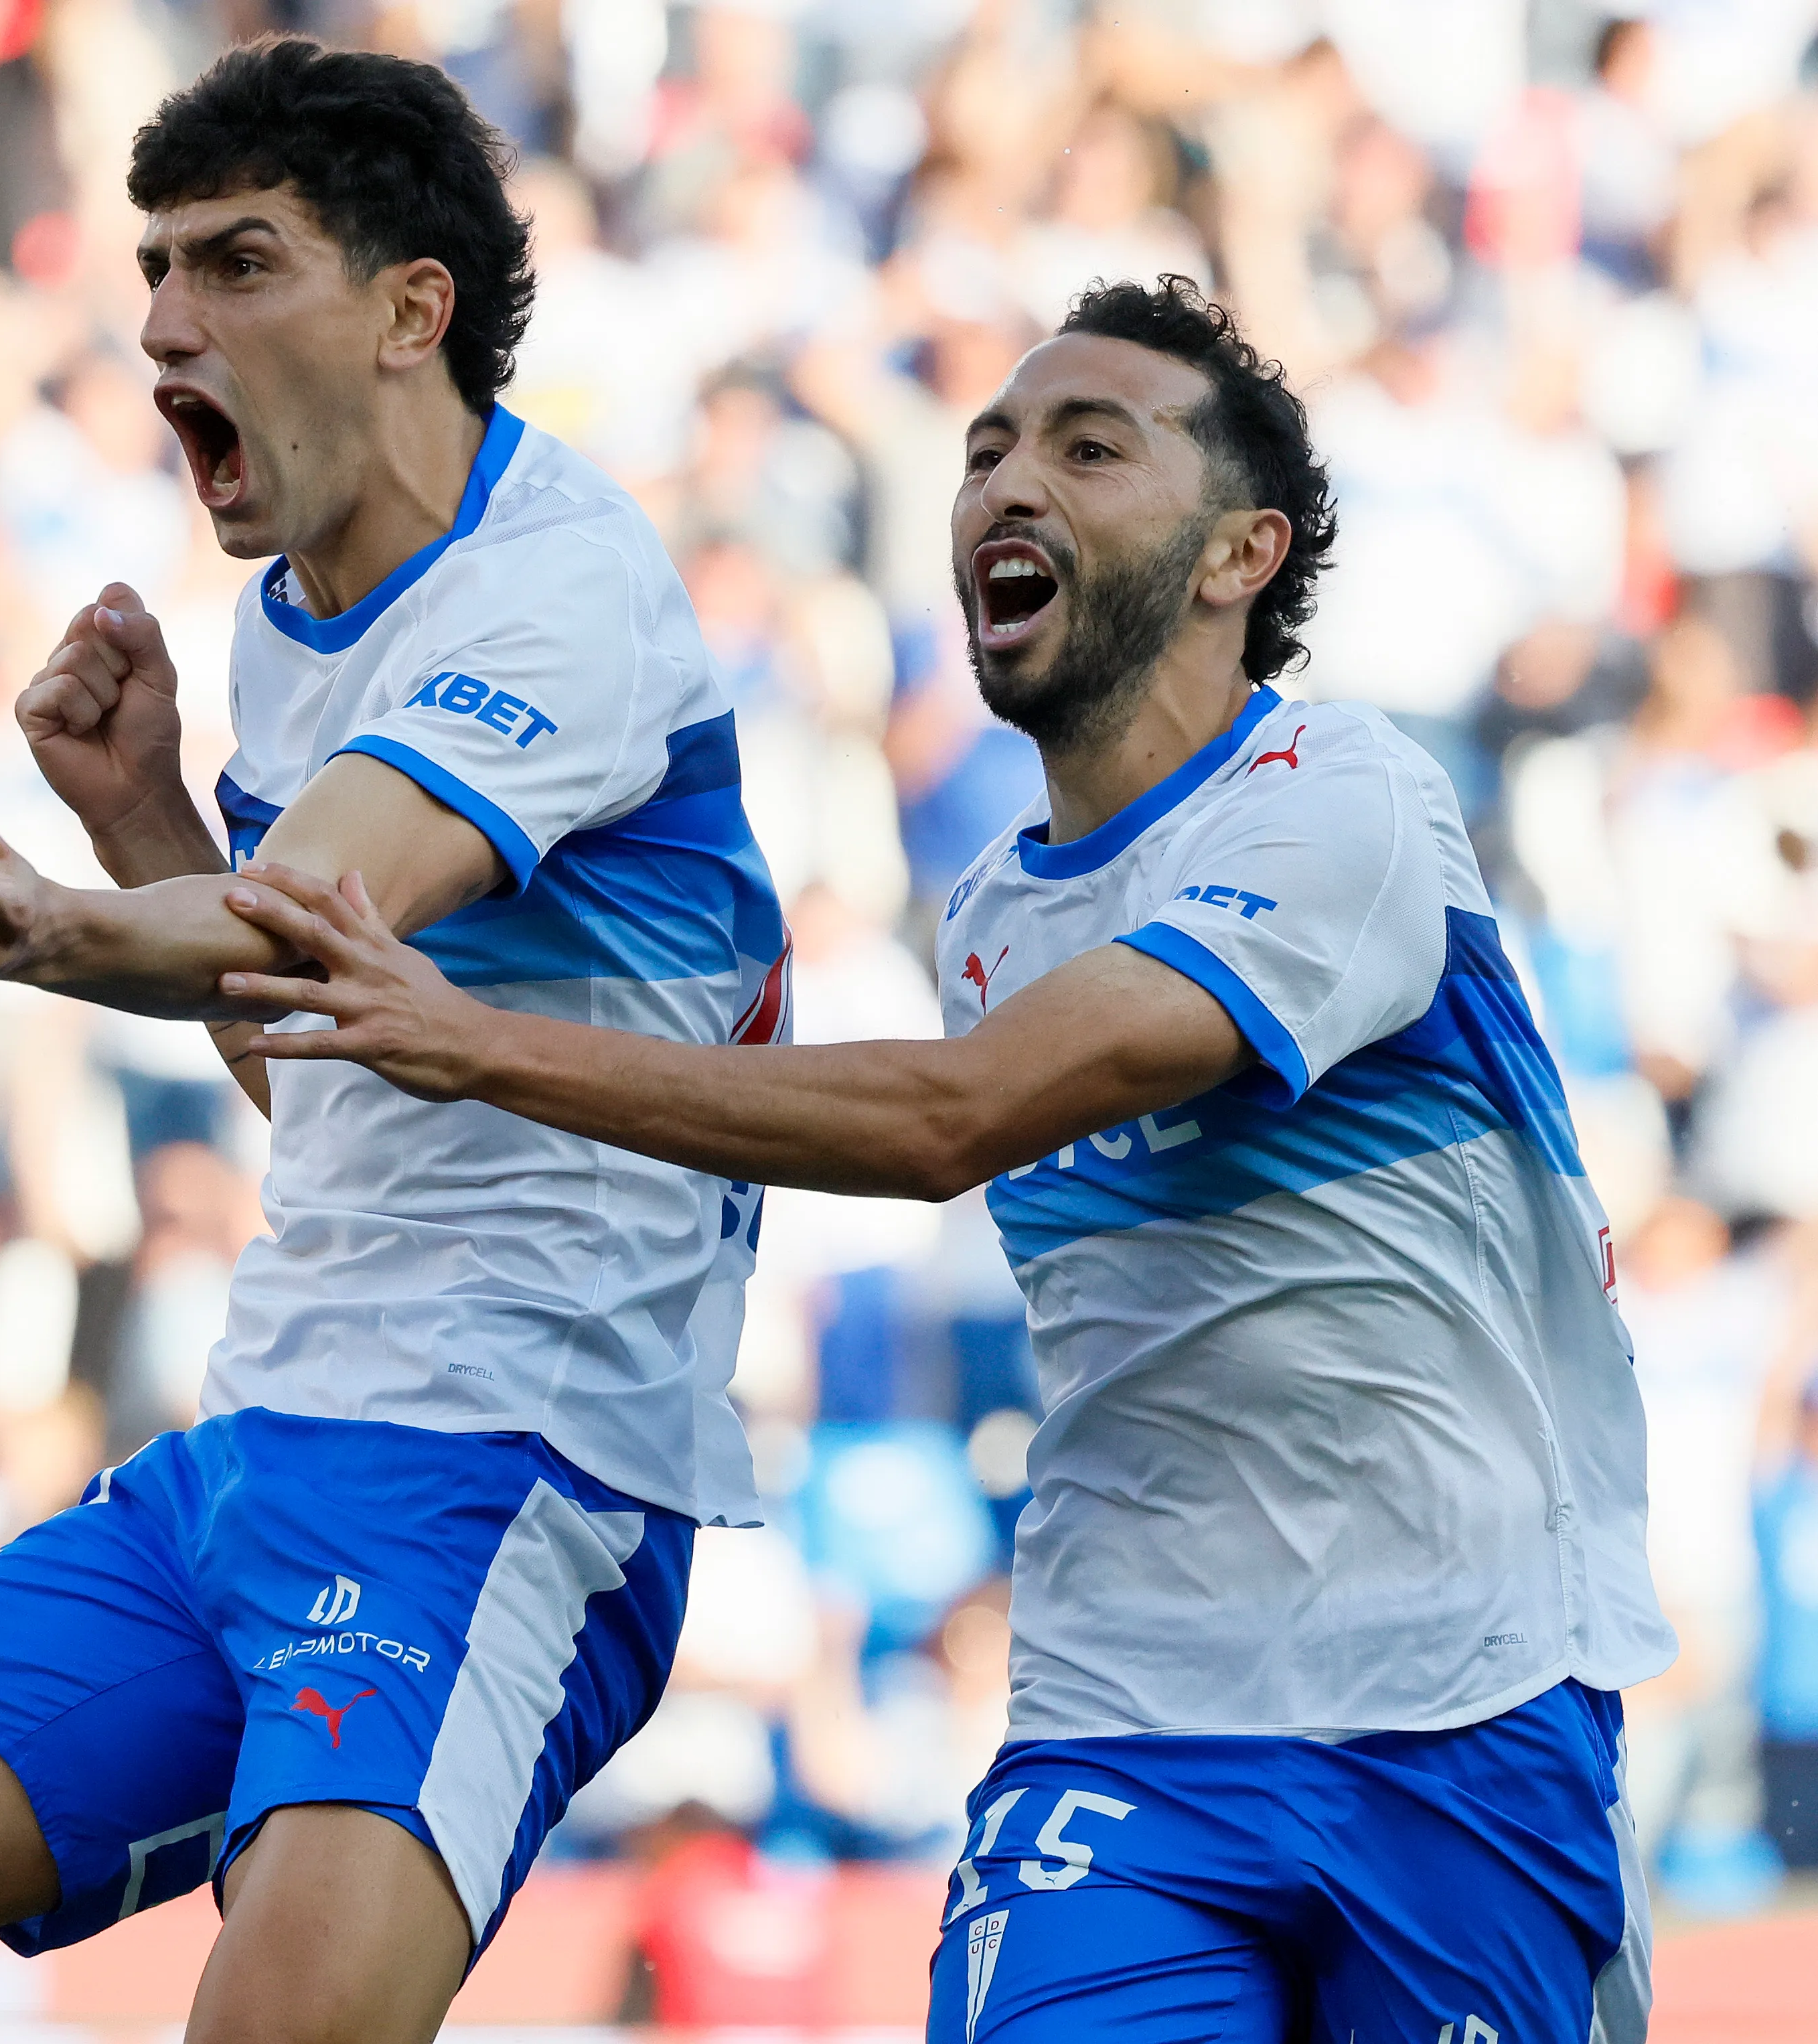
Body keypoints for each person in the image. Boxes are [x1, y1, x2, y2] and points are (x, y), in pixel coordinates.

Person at [208, 278, 1674, 2044]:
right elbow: (412, 1115)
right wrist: (147, 810)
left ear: (1238, 555)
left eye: (1087, 445)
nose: (1002, 483)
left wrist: (467, 1026)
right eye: (984, 452)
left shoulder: (1338, 798)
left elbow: (944, 1119)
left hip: (1466, 1700)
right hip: (1122, 1731)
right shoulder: (988, 916)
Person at [0, 40, 787, 2044]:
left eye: (234, 263)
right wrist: (140, 816)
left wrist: (57, 917)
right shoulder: (300, 614)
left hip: (502, 1476)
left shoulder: (556, 587)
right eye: (154, 268)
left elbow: (313, 912)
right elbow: (321, 1081)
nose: (159, 324)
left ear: (415, 312)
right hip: (258, 1452)